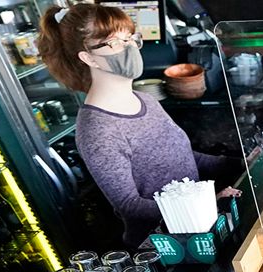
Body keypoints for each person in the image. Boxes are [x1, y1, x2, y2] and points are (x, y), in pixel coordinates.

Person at [37, 4, 241, 248]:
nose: (130, 47)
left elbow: (184, 158)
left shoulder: (145, 100)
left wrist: (240, 163)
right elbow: (130, 206)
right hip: (165, 246)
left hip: (201, 228)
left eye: (130, 37)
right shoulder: (98, 130)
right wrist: (203, 205)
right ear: (88, 57)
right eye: (114, 42)